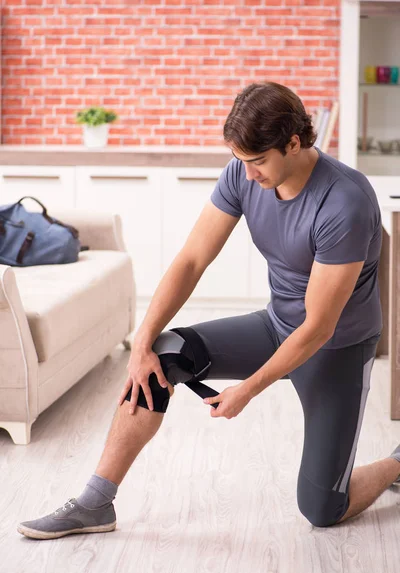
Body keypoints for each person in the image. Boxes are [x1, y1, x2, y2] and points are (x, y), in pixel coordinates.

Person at [17, 81, 400, 540]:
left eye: (258, 161)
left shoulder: (344, 202)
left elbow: (318, 327)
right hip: (277, 326)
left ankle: (397, 462)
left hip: (335, 347)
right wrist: (140, 345)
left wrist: (249, 389)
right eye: (241, 160)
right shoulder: (244, 170)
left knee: (321, 507)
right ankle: (95, 503)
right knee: (164, 353)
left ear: (294, 143)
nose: (248, 173)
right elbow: (192, 259)